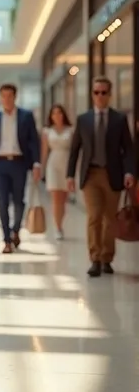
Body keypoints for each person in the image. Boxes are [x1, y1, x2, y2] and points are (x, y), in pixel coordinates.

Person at [67, 76, 134, 277]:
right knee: (94, 217)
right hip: (91, 175)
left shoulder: (119, 119)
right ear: (92, 94)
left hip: (113, 175)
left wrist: (130, 172)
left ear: (110, 95)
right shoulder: (83, 119)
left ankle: (107, 258)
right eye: (96, 92)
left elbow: (128, 149)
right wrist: (70, 175)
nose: (100, 96)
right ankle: (95, 258)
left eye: (104, 92)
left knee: (110, 219)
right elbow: (75, 149)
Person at [0, 84, 41, 253]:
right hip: (0, 164)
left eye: (10, 96)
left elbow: (34, 141)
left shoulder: (26, 116)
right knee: (2, 202)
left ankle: (15, 230)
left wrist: (36, 163)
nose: (7, 99)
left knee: (18, 201)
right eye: (4, 96)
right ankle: (6, 240)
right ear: (0, 98)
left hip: (19, 163)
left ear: (15, 97)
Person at [41, 104, 74, 240]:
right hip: (53, 164)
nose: (57, 116)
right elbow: (44, 152)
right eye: (54, 113)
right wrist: (41, 169)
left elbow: (74, 150)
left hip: (66, 163)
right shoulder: (47, 131)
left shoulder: (71, 130)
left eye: (59, 113)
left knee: (64, 198)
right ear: (51, 116)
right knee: (56, 198)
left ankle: (61, 222)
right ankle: (58, 227)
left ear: (63, 115)